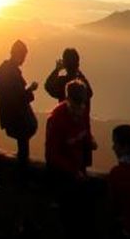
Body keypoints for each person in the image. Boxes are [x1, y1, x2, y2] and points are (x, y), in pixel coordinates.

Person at [45, 80, 97, 238]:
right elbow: (52, 155)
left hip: (78, 168)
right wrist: (73, 171)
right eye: (75, 107)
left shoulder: (83, 107)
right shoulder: (56, 119)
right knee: (69, 218)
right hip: (64, 175)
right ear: (68, 100)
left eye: (82, 106)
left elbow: (86, 128)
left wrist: (89, 140)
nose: (79, 111)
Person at [0, 40, 37, 177]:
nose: (24, 59)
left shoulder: (3, 71)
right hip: (18, 119)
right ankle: (23, 176)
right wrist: (30, 90)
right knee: (23, 148)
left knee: (23, 146)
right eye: (23, 56)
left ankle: (22, 174)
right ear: (18, 55)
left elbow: (11, 94)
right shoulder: (11, 73)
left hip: (12, 117)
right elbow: (17, 98)